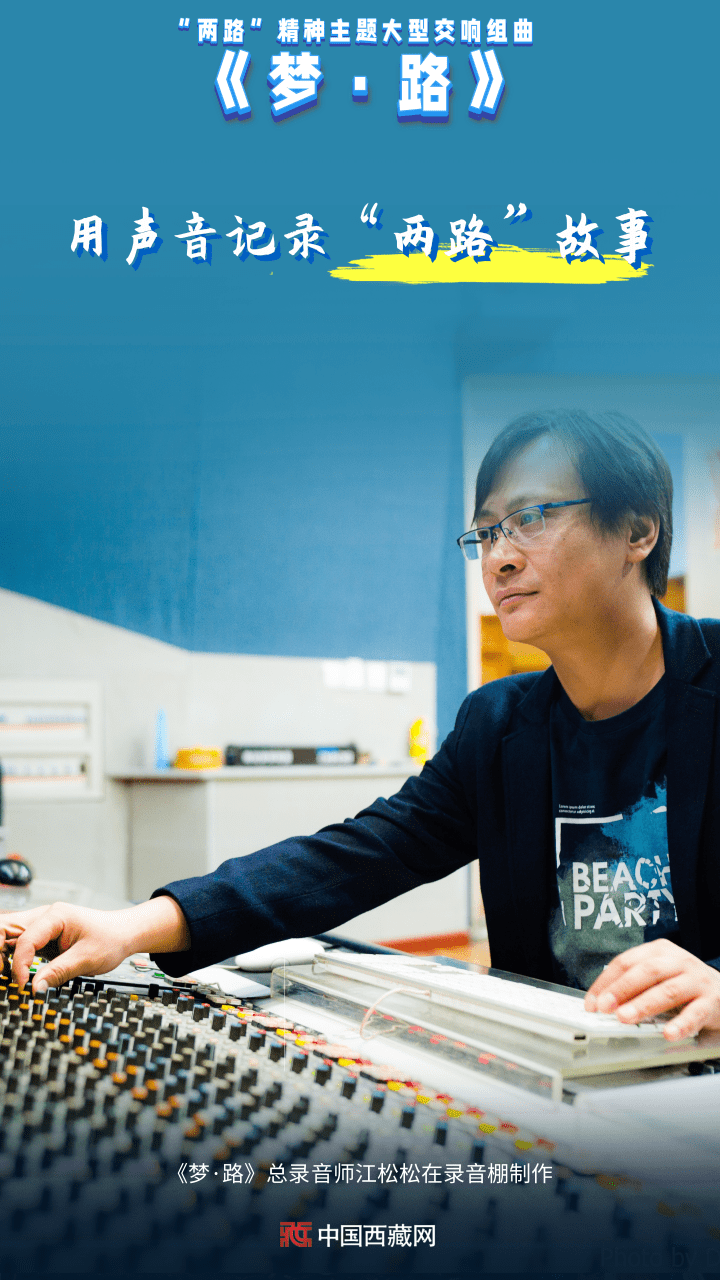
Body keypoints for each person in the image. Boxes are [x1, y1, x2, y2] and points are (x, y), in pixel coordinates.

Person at [2, 409, 720, 1041]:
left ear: (637, 530)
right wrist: (130, 926)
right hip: (572, 1088)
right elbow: (351, 858)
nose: (499, 558)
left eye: (532, 518)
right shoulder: (498, 725)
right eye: (486, 532)